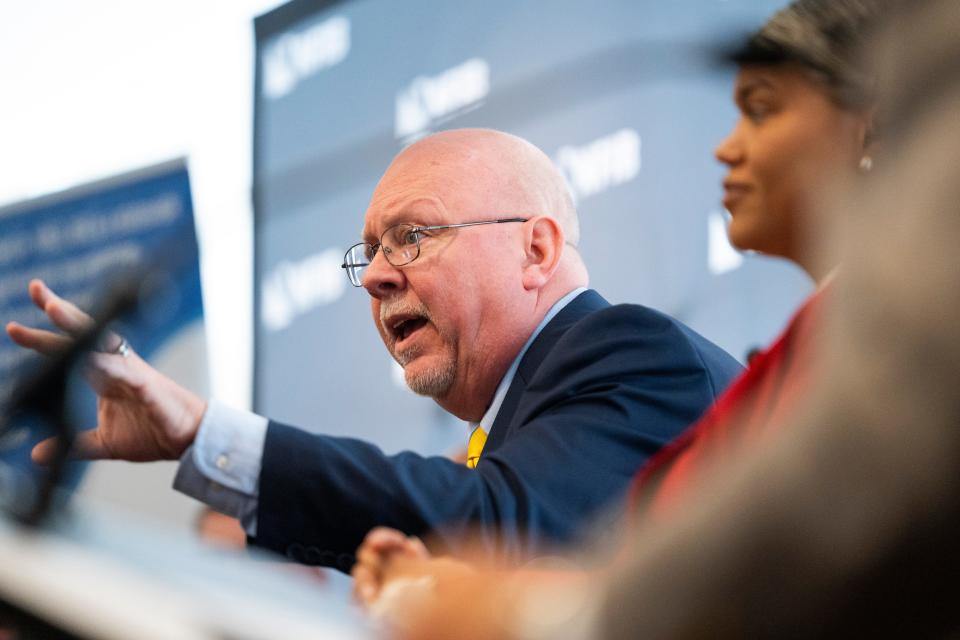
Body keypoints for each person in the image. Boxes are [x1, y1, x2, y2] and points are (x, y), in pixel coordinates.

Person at [351, 0, 892, 627]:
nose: (725, 148)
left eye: (761, 109)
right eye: (370, 251)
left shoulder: (883, 348)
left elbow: (760, 578)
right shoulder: (799, 360)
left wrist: (507, 608)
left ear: (871, 125)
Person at [6, 129, 742, 572]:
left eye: (414, 236)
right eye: (370, 253)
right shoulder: (518, 419)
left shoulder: (631, 349)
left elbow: (493, 528)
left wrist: (203, 433)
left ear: (537, 247)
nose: (380, 276)